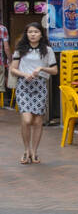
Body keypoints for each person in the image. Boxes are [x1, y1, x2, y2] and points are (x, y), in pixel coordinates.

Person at [10, 23, 57, 165]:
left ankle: (34, 152)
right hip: (24, 86)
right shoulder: (20, 49)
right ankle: (26, 149)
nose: (32, 34)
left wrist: (42, 68)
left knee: (37, 121)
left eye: (36, 32)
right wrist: (24, 74)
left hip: (40, 86)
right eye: (30, 32)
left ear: (41, 34)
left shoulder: (47, 50)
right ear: (26, 34)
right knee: (27, 119)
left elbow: (55, 70)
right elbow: (13, 69)